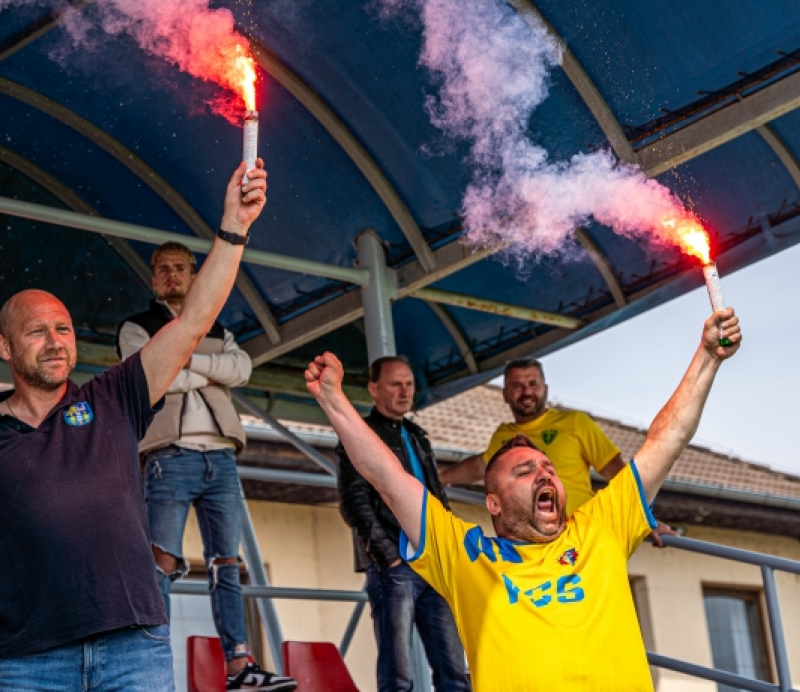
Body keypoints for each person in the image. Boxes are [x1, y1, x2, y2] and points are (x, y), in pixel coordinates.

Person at [305, 310, 741, 691]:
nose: (545, 473)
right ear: (492, 503)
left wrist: (707, 357)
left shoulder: (601, 526)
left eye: (547, 466)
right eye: (524, 470)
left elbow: (666, 438)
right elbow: (385, 475)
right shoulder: (465, 556)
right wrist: (332, 399)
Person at [0, 160, 267, 692]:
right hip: (26, 662)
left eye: (64, 328)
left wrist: (233, 227)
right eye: (37, 332)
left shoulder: (113, 397)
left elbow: (192, 323)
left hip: (133, 650)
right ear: (4, 349)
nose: (56, 341)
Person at [117, 242, 296, 692]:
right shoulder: (137, 327)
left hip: (221, 456)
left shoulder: (215, 325)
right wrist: (207, 368)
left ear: (196, 276)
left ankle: (240, 667)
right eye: (163, 269)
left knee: (226, 564)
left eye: (180, 268)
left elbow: (243, 368)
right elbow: (151, 378)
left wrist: (186, 358)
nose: (172, 275)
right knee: (160, 563)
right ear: (153, 279)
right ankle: (154, 666)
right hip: (169, 455)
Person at [336, 356, 471, 692]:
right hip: (394, 565)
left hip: (434, 562)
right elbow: (354, 502)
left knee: (454, 668)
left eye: (409, 384)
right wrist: (388, 557)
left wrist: (448, 550)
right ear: (373, 389)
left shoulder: (417, 435)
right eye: (395, 384)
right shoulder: (360, 435)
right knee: (398, 675)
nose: (404, 391)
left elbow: (437, 498)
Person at [438, 357, 674, 545]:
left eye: (533, 384)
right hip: (528, 546)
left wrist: (647, 521)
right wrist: (439, 479)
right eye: (517, 386)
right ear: (505, 394)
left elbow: (622, 478)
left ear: (545, 389)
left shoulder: (575, 423)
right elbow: (482, 466)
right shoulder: (503, 435)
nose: (526, 391)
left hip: (580, 539)